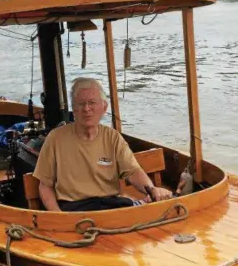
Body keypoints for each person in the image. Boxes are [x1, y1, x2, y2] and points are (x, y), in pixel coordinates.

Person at [33, 77, 173, 212]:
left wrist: (152, 189)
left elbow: (133, 171)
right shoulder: (56, 138)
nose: (87, 109)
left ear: (104, 107)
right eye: (81, 104)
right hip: (73, 208)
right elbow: (45, 186)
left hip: (111, 206)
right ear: (74, 109)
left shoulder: (112, 137)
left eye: (92, 103)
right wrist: (58, 216)